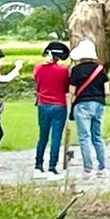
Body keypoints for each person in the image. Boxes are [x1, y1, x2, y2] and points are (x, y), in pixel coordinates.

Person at [69, 39, 110, 179]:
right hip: (99, 104)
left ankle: (88, 170)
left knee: (84, 137)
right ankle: (102, 168)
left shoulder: (76, 70)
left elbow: (72, 91)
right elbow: (107, 91)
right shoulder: (100, 69)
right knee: (97, 137)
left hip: (82, 105)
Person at [32, 40, 71, 177]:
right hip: (59, 105)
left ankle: (38, 166)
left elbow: (37, 83)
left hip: (43, 105)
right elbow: (67, 88)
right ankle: (52, 167)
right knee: (56, 138)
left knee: (43, 136)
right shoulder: (63, 71)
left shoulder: (38, 68)